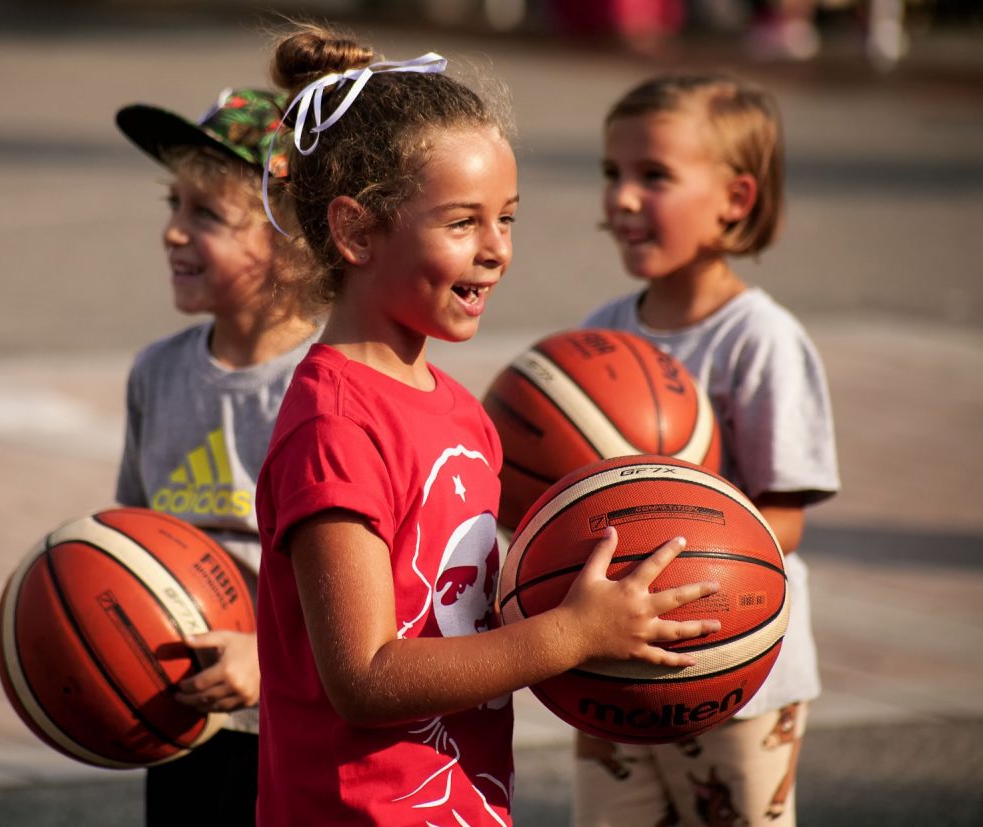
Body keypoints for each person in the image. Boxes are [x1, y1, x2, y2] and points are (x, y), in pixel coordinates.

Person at [252, 23, 725, 826]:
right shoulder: (333, 427)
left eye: (508, 218)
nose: (497, 250)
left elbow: (464, 620)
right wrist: (567, 636)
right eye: (463, 222)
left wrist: (596, 602)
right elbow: (365, 675)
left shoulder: (462, 410)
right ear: (357, 230)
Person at [573, 73, 841, 826]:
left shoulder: (760, 341)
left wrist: (676, 548)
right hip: (616, 665)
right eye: (611, 173)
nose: (622, 198)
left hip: (741, 670)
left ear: (735, 199)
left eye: (652, 176)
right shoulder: (599, 335)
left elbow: (783, 518)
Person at [112, 87, 321, 826]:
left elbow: (382, 585)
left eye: (205, 215)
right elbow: (130, 541)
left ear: (291, 240)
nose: (173, 232)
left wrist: (270, 658)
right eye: (173, 204)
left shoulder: (326, 387)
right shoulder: (157, 372)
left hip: (300, 722)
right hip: (183, 714)